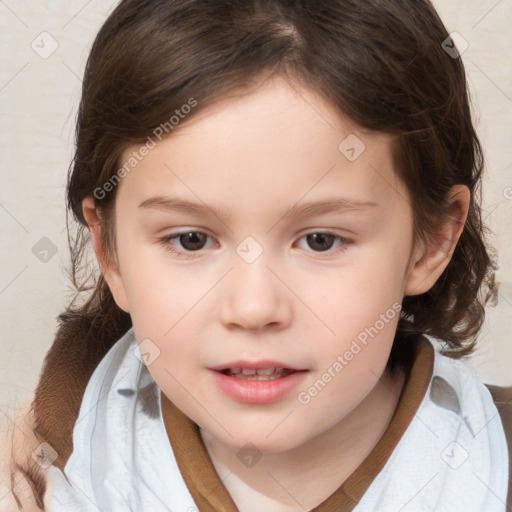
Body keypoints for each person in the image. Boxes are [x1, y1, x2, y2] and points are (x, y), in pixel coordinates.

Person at [1, 0, 510, 510]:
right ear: (109, 251)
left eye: (321, 240)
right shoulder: (54, 463)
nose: (253, 308)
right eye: (191, 240)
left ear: (432, 240)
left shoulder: (490, 462)